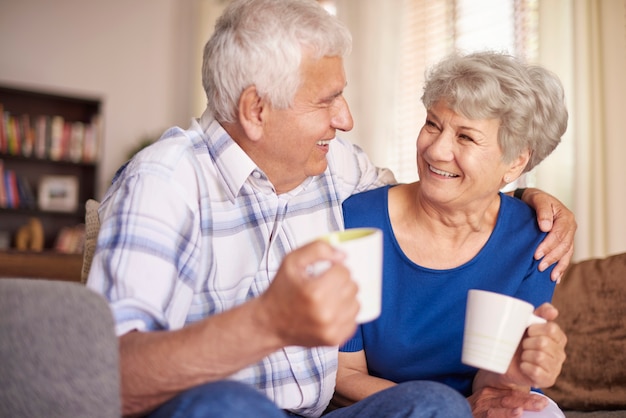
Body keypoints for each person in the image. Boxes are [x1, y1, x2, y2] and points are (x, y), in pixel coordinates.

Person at [86, 1, 575, 416]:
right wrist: (264, 323)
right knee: (228, 403)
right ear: (257, 110)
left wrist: (527, 197)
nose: (345, 119)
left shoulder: (331, 163)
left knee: (436, 406)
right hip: (223, 409)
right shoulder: (163, 185)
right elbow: (106, 378)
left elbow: (435, 196)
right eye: (329, 99)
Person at [334, 51, 570, 418]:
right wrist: (453, 410)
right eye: (433, 124)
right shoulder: (357, 222)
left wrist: (520, 368)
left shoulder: (534, 239)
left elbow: (495, 386)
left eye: (465, 137)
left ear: (516, 162)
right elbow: (344, 375)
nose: (437, 149)